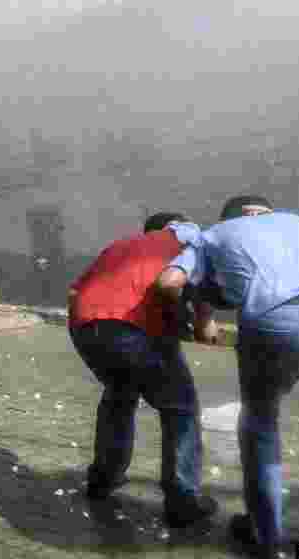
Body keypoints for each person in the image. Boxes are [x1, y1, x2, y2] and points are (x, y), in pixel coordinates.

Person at [156, 196, 299, 558]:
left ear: (229, 218)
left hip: (277, 323)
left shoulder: (213, 235)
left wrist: (190, 318)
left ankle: (267, 540)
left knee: (261, 426)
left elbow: (169, 282)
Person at [68, 212, 219, 529]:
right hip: (133, 328)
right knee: (180, 408)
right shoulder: (188, 241)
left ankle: (103, 480)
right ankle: (182, 500)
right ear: (175, 225)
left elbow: (75, 292)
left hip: (86, 326)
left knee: (119, 395)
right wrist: (200, 322)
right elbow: (179, 288)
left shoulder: (120, 245)